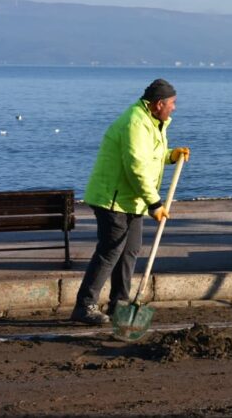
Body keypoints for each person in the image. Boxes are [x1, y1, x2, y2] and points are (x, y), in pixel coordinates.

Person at [70, 79, 190, 325]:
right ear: (158, 104)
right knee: (110, 250)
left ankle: (120, 304)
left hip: (131, 200)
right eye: (172, 103)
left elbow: (149, 157)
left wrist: (170, 156)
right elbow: (136, 167)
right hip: (112, 199)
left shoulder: (152, 122)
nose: (174, 108)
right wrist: (155, 203)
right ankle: (85, 305)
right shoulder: (135, 123)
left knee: (130, 251)